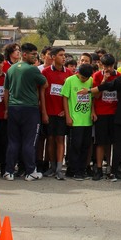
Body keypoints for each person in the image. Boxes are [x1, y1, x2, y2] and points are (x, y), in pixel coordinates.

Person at [4, 43, 48, 181]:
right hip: (30, 109)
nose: (35, 57)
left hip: (13, 108)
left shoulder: (11, 69)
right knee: (29, 142)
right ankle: (30, 171)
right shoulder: (32, 69)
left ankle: (9, 171)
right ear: (24, 54)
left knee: (13, 141)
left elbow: (6, 91)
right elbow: (45, 83)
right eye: (33, 54)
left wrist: (7, 108)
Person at [40, 47, 70, 180]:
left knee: (60, 139)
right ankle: (52, 167)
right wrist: (44, 112)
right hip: (49, 112)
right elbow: (42, 92)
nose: (64, 57)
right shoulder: (45, 72)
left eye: (64, 55)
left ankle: (59, 169)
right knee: (50, 139)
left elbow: (70, 95)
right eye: (60, 55)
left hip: (61, 114)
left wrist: (66, 110)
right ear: (53, 57)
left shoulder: (68, 73)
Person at [61, 64, 94, 181]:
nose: (84, 80)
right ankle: (73, 170)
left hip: (87, 120)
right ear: (78, 73)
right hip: (75, 120)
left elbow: (92, 98)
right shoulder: (70, 80)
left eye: (86, 78)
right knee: (75, 146)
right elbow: (65, 98)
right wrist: (68, 116)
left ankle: (82, 169)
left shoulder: (91, 81)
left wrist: (93, 112)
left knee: (85, 146)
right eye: (82, 77)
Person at [91, 54, 119, 181]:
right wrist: (103, 81)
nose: (108, 69)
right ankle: (98, 168)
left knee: (111, 142)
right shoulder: (97, 76)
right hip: (101, 113)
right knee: (101, 142)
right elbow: (96, 96)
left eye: (110, 66)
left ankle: (110, 167)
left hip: (114, 114)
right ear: (101, 65)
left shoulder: (119, 76)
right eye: (105, 66)